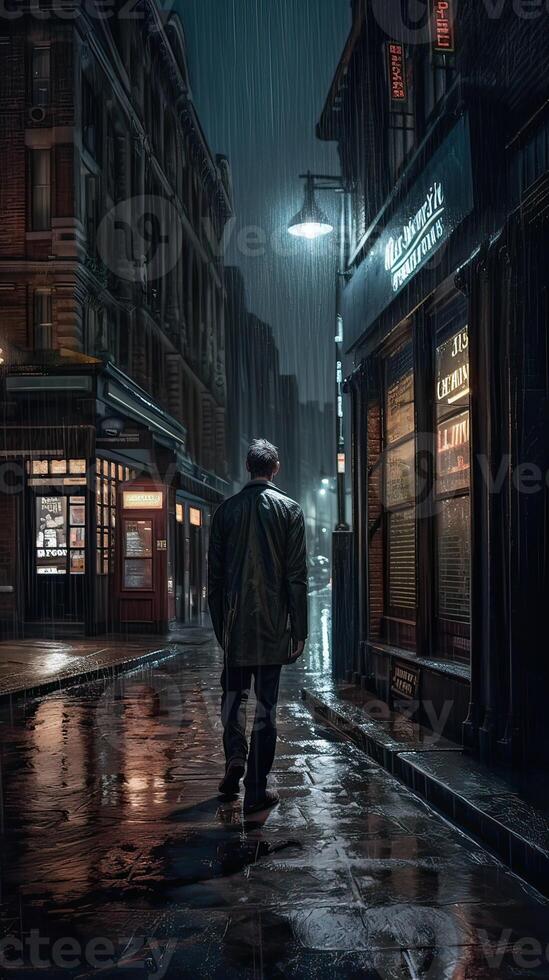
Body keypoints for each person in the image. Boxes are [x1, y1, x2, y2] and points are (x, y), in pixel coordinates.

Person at [208, 438, 308, 815]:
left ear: (248, 467)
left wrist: (223, 628)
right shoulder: (290, 511)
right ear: (275, 468)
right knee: (266, 706)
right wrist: (299, 629)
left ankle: (235, 755)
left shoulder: (225, 512)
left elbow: (214, 580)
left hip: (235, 628)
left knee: (234, 698)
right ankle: (255, 789)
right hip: (272, 630)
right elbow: (296, 577)